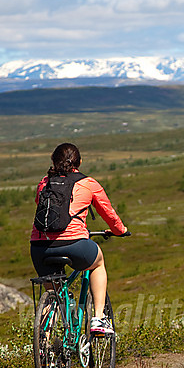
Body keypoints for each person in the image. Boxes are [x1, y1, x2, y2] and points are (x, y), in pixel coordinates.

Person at [30, 142, 128, 334]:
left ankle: (44, 342)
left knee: (53, 291)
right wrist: (120, 231)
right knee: (98, 263)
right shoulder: (88, 183)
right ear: (79, 162)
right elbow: (109, 214)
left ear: (53, 161)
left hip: (40, 247)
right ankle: (99, 319)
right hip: (75, 244)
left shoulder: (44, 183)